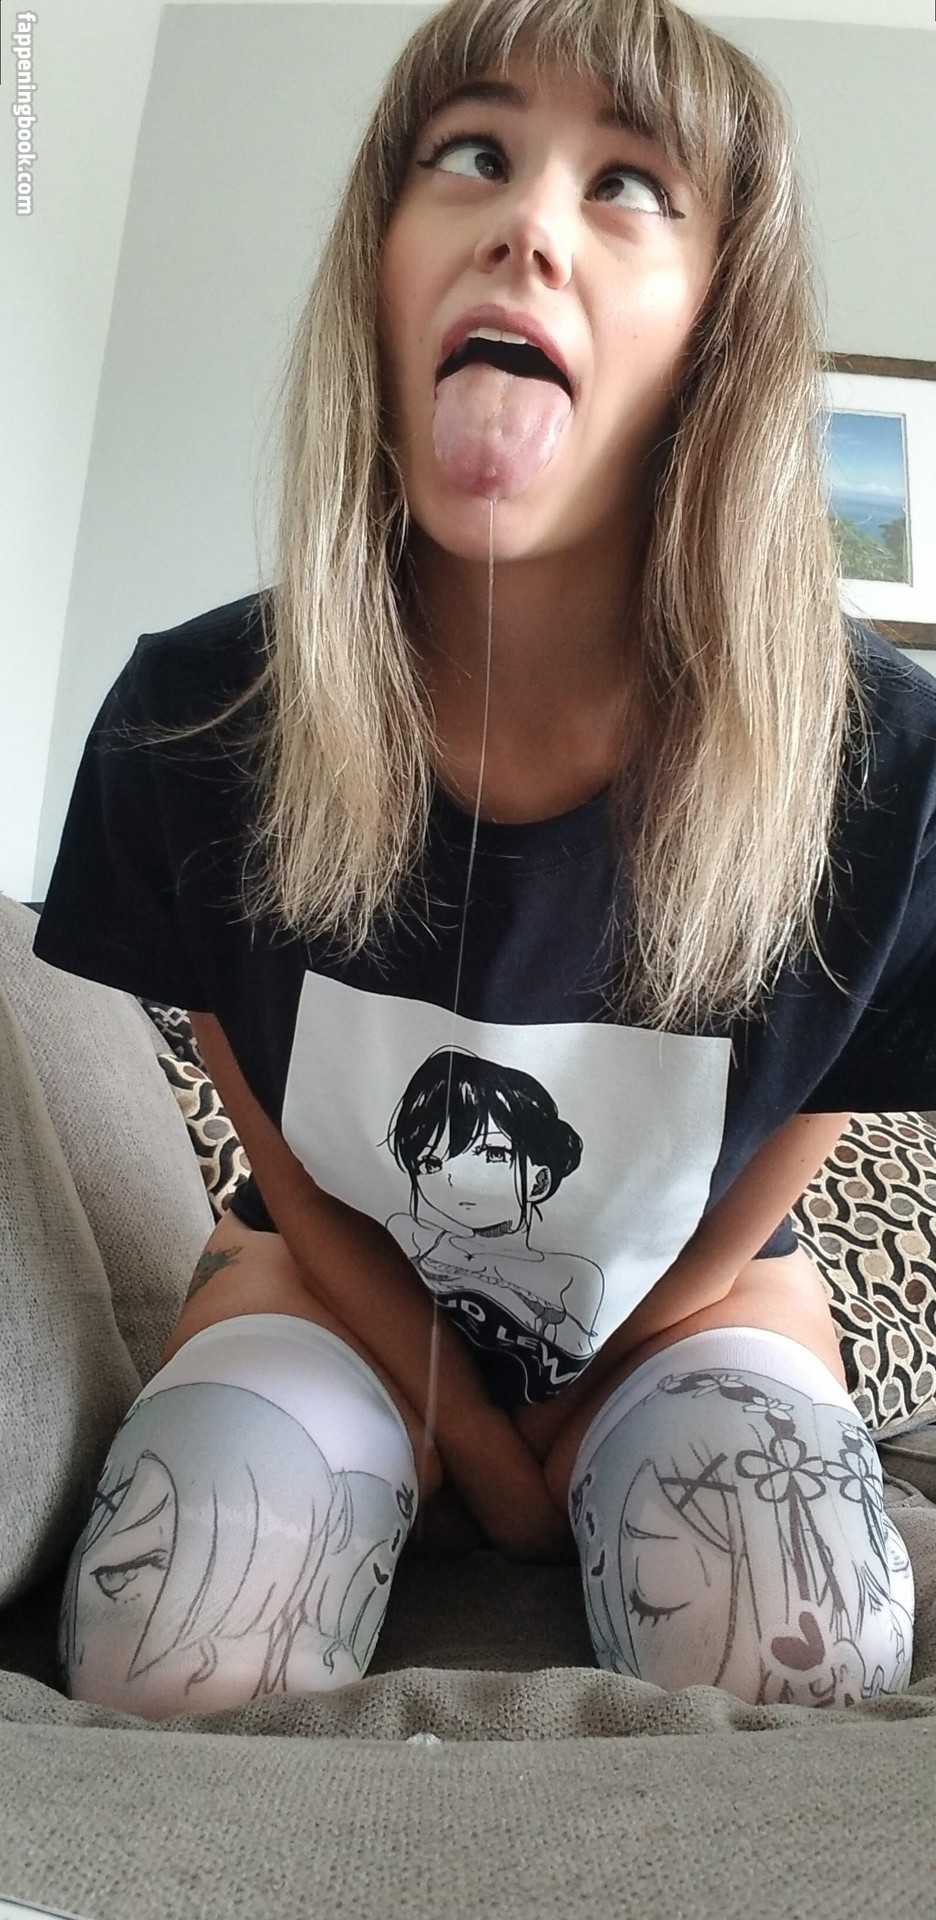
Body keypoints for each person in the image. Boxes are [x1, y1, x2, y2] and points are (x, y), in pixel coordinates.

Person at [34, 0, 931, 1718]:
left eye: (629, 184)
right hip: (331, 1292)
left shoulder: (890, 764)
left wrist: (563, 1439)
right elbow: (279, 1148)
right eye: (472, 153)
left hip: (692, 1309)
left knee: (800, 1650)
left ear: (722, 321)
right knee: (176, 1642)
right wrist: (470, 1434)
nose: (528, 221)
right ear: (381, 264)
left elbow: (775, 1168)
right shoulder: (194, 720)